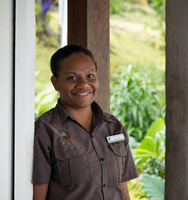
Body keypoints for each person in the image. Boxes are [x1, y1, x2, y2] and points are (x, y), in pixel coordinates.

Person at [32, 45, 138, 200]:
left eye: (90, 76)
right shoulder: (45, 130)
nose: (83, 84)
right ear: (55, 83)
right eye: (72, 77)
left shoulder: (113, 126)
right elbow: (37, 196)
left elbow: (123, 190)